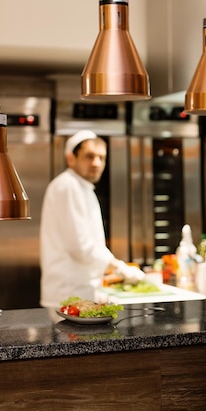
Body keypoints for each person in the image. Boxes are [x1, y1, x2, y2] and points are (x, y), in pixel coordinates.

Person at [40, 130, 145, 309]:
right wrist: (120, 268)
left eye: (101, 157)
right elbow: (81, 247)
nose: (96, 163)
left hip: (80, 291)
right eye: (89, 156)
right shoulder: (67, 186)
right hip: (67, 294)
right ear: (70, 159)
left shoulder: (84, 188)